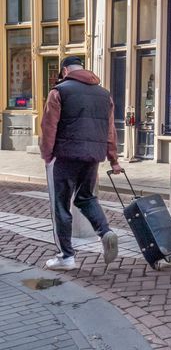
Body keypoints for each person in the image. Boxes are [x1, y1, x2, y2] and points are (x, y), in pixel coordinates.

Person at [40, 56, 121, 271]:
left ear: (65, 70)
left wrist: (47, 155)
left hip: (65, 156)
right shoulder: (104, 95)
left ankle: (66, 256)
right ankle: (105, 231)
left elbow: (49, 127)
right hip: (92, 157)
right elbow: (110, 130)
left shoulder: (59, 91)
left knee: (61, 205)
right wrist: (113, 159)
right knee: (86, 198)